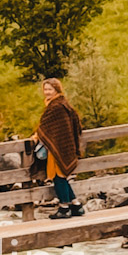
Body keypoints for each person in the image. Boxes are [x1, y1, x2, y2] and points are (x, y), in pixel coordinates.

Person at [31, 77, 84, 218]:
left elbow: (47, 127)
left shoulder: (56, 106)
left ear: (57, 90)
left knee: (57, 176)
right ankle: (76, 205)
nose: (47, 92)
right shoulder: (62, 103)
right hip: (63, 146)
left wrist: (36, 136)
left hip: (58, 148)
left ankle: (64, 208)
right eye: (45, 89)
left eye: (50, 89)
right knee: (62, 177)